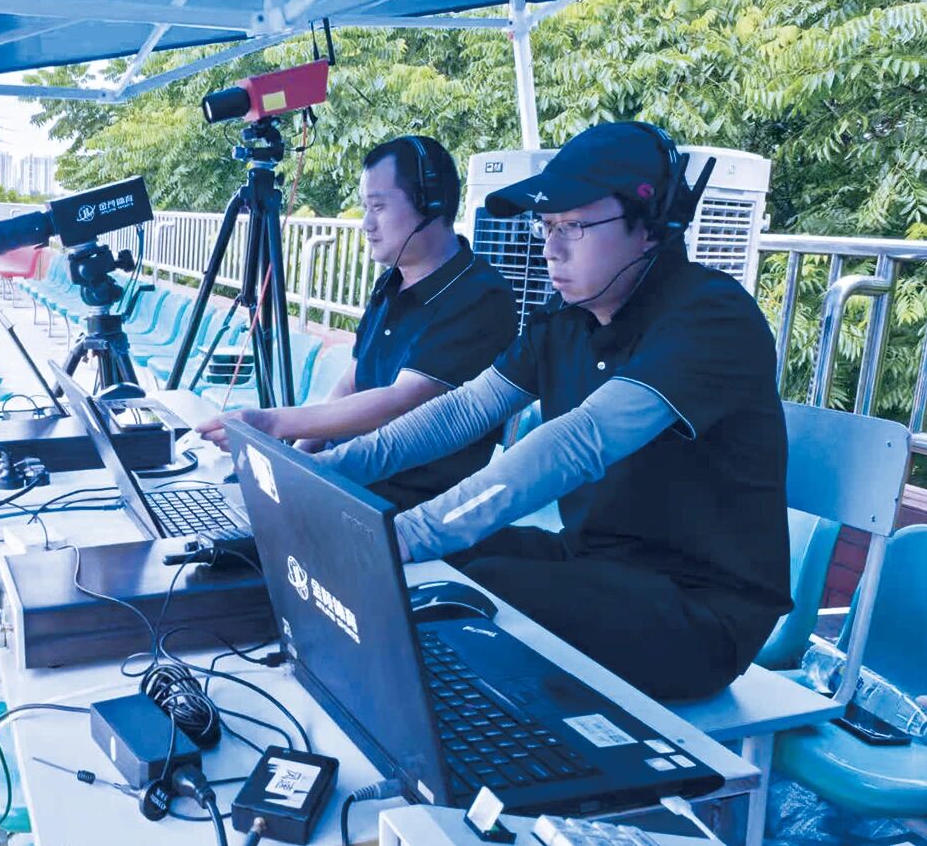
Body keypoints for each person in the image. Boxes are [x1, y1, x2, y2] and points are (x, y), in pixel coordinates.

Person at [307, 122, 792, 700]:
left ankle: (491, 748)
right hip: (596, 560)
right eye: (547, 226)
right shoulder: (567, 319)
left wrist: (412, 533)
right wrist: (327, 471)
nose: (550, 248)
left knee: (461, 590)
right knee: (446, 563)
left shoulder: (710, 316)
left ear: (651, 226)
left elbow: (581, 441)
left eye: (573, 227)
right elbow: (466, 409)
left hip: (700, 612)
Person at [198, 136, 516, 510]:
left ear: (430, 203)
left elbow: (400, 402)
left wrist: (272, 424)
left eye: (378, 207)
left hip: (403, 504)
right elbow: (352, 381)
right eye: (365, 207)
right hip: (340, 478)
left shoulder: (479, 296)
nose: (366, 224)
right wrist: (297, 457)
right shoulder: (390, 283)